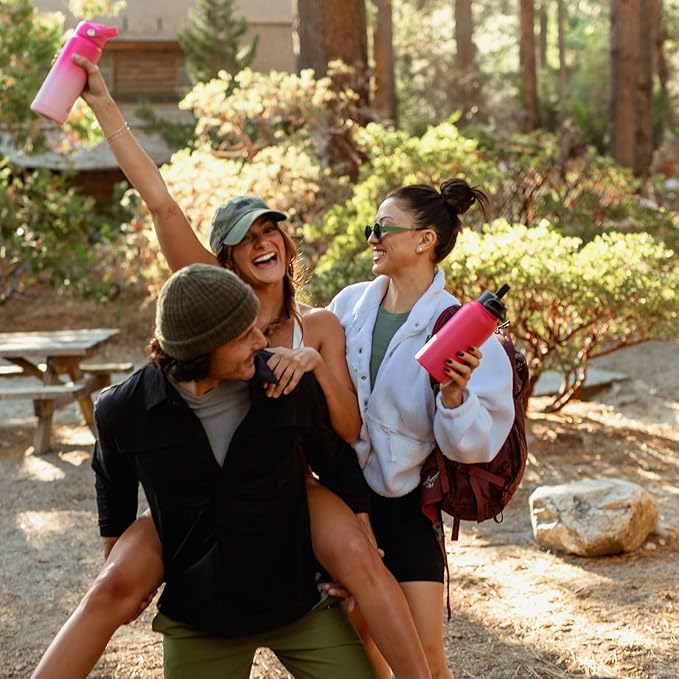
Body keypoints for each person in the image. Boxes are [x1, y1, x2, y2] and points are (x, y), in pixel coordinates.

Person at [31, 54, 430, 679]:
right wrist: (103, 103)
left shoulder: (319, 326)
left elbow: (344, 438)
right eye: (246, 237)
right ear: (224, 261)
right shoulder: (209, 298)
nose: (263, 241)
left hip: (293, 478)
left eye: (272, 230)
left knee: (359, 565)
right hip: (200, 485)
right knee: (115, 587)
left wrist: (310, 361)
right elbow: (161, 204)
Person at [90, 262, 377, 678]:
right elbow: (111, 485)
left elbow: (336, 460)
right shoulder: (123, 409)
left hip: (300, 602)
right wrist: (118, 573)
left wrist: (361, 529)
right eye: (245, 335)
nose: (263, 340)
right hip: (200, 617)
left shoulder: (281, 381)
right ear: (204, 348)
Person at [328, 178, 516, 679]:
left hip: (409, 506)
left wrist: (454, 398)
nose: (372, 238)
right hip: (345, 500)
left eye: (383, 228)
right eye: (372, 228)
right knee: (356, 639)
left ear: (424, 240)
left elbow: (475, 447)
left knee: (423, 655)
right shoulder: (347, 306)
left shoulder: (460, 325)